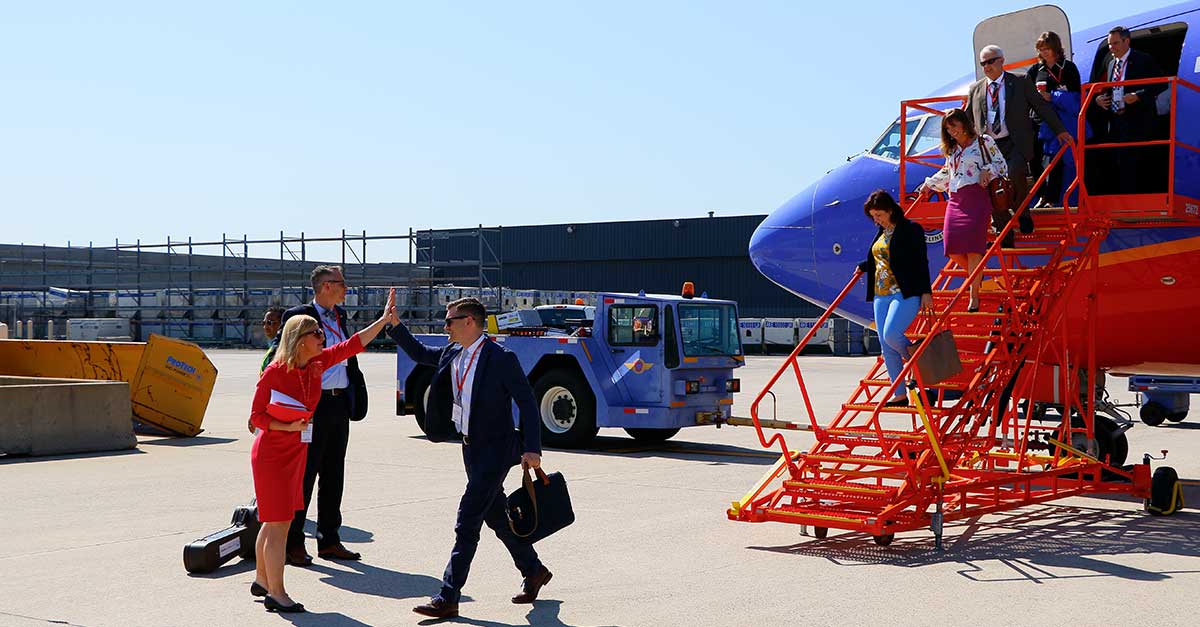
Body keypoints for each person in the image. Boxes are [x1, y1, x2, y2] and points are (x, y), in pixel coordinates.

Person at [389, 297, 551, 620]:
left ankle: (449, 595)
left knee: (467, 518)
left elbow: (528, 402)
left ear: (470, 322)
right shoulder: (453, 353)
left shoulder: (500, 358)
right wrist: (395, 326)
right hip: (470, 447)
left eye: (450, 321)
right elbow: (422, 354)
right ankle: (533, 569)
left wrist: (532, 447)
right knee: (495, 515)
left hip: (496, 448)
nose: (445, 326)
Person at [249, 289, 397, 613]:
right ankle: (277, 593)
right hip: (273, 454)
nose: (322, 336)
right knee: (279, 526)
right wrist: (287, 427)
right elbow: (255, 417)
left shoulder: (315, 364)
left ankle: (262, 580)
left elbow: (353, 344)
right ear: (299, 339)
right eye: (316, 333)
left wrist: (384, 321)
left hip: (295, 452)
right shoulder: (275, 371)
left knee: (274, 522)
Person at [269, 265, 370, 566]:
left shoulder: (340, 316)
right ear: (326, 286)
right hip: (311, 407)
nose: (346, 289)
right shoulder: (298, 316)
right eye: (342, 283)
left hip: (338, 404)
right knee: (304, 475)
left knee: (333, 474)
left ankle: (329, 539)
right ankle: (293, 542)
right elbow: (280, 354)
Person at [966, 44, 1072, 241]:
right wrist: (952, 141)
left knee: (1015, 173)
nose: (987, 67)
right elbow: (967, 119)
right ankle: (1002, 229)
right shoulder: (976, 89)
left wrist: (1060, 130)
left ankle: (1022, 213)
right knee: (991, 183)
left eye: (990, 61)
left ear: (1001, 60)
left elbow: (1040, 106)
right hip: (989, 146)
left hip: (1014, 142)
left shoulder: (1020, 81)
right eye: (983, 63)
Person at [917, 108, 1006, 311]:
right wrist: (930, 183)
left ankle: (974, 296)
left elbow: (1001, 165)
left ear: (964, 124)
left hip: (976, 197)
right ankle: (978, 276)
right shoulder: (953, 149)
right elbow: (949, 172)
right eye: (948, 129)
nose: (952, 132)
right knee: (952, 248)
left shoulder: (984, 142)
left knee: (974, 249)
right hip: (956, 200)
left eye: (954, 127)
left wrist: (986, 170)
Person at [855, 190, 933, 405]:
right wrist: (863, 267)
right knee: (885, 345)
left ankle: (922, 369)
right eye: (873, 216)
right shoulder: (881, 232)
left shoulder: (911, 230)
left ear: (890, 210)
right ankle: (899, 394)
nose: (876, 219)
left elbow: (920, 261)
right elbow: (878, 257)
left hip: (905, 292)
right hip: (881, 294)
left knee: (891, 334)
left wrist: (926, 292)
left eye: (879, 215)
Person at [1088, 26, 1166, 195]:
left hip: (1138, 121)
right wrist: (1098, 99)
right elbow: (1106, 89)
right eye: (1109, 44)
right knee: (1117, 162)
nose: (1111, 48)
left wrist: (1138, 96)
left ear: (1126, 41)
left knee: (1138, 163)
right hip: (1116, 121)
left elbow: (1161, 84)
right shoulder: (1110, 64)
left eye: (1115, 43)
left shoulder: (1143, 59)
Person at [1024, 31, 1082, 207]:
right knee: (1032, 157)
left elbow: (1077, 96)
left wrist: (1054, 96)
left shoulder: (1069, 67)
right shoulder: (1036, 70)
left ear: (1056, 48)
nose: (1044, 52)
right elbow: (1027, 94)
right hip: (1038, 120)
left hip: (1060, 120)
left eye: (1047, 48)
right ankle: (1041, 194)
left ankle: (1051, 198)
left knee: (1056, 158)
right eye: (1041, 49)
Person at [249, 307, 289, 434]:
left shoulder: (282, 350)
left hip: (274, 410)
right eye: (264, 322)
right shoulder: (273, 347)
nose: (266, 326)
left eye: (271, 323)